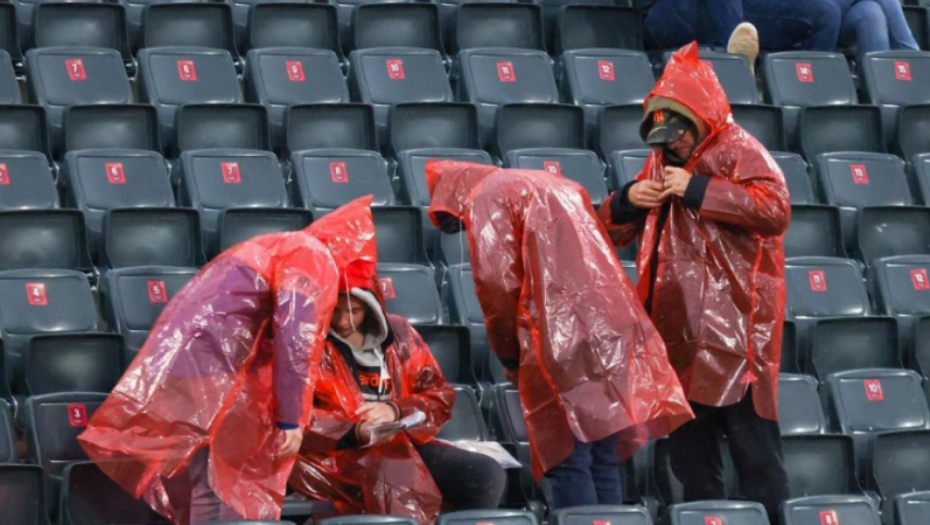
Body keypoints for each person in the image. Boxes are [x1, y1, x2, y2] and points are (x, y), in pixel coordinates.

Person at [78, 197, 379, 525]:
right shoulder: (313, 255)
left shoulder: (279, 246)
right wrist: (291, 419)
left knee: (210, 481)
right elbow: (295, 335)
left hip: (196, 365)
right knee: (224, 486)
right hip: (221, 372)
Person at [425, 160, 694, 510]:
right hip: (614, 324)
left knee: (569, 458)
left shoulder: (485, 197)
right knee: (602, 455)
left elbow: (497, 284)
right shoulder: (561, 183)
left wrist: (509, 357)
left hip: (561, 333)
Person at [596, 42, 791, 521]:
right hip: (678, 335)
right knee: (693, 463)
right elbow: (610, 230)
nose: (669, 145)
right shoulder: (660, 161)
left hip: (738, 336)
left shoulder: (740, 149)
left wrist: (699, 188)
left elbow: (774, 210)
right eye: (661, 137)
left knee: (757, 458)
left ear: (698, 118)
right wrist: (626, 200)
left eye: (677, 135)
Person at [289, 287, 506, 525]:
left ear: (371, 309)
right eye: (336, 311)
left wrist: (396, 410)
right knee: (396, 476)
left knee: (486, 473)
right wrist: (354, 431)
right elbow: (295, 413)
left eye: (354, 311)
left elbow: (438, 394)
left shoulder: (400, 335)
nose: (342, 321)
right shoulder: (309, 341)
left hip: (401, 440)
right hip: (335, 452)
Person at [645, 0, 841, 73]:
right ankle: (739, 64)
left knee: (826, 12)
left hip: (736, 8)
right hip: (674, 11)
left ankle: (809, 96)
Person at [832, 0, 920, 64]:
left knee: (872, 14)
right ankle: (913, 58)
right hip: (826, 13)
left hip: (852, 14)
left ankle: (878, 80)